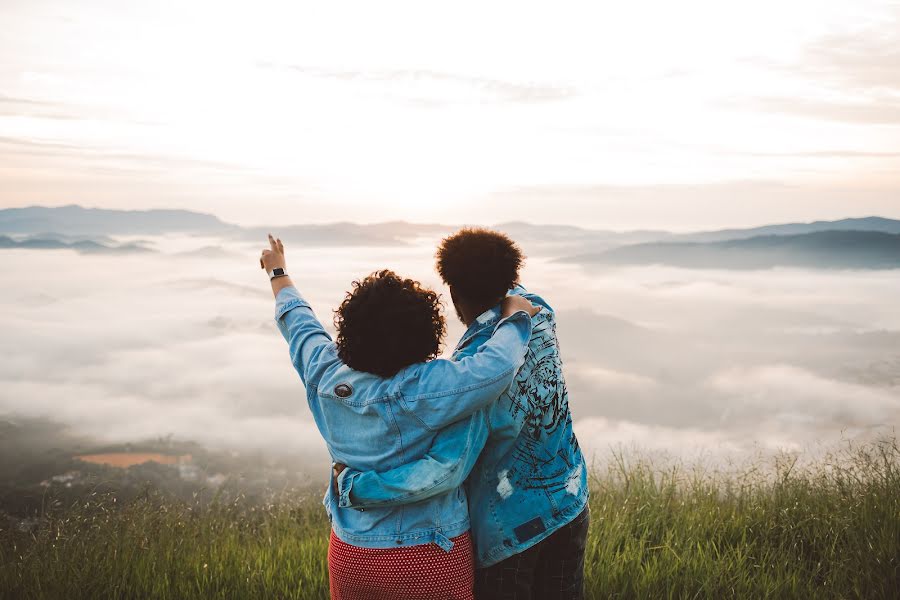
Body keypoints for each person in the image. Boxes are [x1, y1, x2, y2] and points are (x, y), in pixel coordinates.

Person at [259, 234, 539, 600]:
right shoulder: (426, 387)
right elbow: (496, 365)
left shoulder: (323, 372)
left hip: (353, 554)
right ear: (426, 334)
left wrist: (277, 271)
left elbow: (298, 322)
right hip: (428, 555)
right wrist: (516, 316)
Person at [334, 228, 590, 600]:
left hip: (513, 530)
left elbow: (447, 469)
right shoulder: (538, 311)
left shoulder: (472, 375)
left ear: (453, 292)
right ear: (511, 278)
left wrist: (356, 486)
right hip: (570, 499)